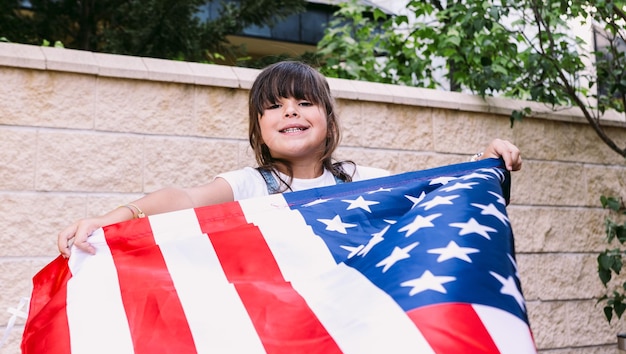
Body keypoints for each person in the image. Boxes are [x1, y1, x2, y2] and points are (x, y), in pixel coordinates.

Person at [58, 61, 522, 258]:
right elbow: (184, 197)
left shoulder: (356, 180)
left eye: (303, 103)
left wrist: (483, 162)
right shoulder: (249, 184)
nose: (291, 112)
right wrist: (111, 217)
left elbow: (429, 189)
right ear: (259, 127)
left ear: (328, 119)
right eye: (275, 105)